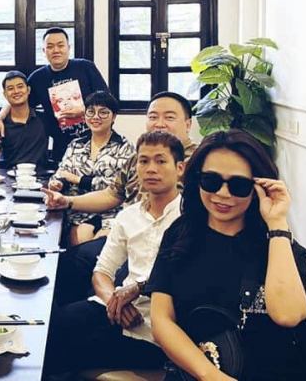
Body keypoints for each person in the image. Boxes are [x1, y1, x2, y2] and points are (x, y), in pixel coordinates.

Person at [149, 130, 306, 380]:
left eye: (239, 185)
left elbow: (288, 316)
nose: (223, 194)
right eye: (211, 181)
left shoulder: (280, 247)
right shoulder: (180, 234)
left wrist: (277, 223)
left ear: (258, 188)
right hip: (196, 373)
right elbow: (161, 319)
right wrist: (209, 375)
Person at [44, 131, 185, 375]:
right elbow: (102, 271)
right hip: (117, 311)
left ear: (179, 168)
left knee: (63, 351)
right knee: (52, 327)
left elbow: (186, 278)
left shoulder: (188, 217)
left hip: (158, 328)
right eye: (143, 161)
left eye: (161, 161)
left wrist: (136, 289)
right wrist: (114, 302)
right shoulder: (128, 217)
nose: (151, 169)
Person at [44, 91, 197, 303]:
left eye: (169, 117)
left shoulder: (199, 162)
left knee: (84, 275)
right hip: (125, 237)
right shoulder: (138, 156)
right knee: (63, 264)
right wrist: (67, 202)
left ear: (188, 124)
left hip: (160, 251)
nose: (159, 123)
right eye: (153, 117)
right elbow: (111, 194)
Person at [0, 27, 109, 163]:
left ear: (68, 48)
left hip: (96, 140)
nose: (56, 50)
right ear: (44, 51)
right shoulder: (38, 78)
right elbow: (18, 99)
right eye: (50, 47)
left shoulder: (85, 67)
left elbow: (108, 101)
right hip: (61, 146)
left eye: (60, 45)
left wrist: (84, 110)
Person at [48, 91, 135, 245]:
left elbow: (116, 188)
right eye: (91, 112)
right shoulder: (76, 145)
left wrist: (78, 180)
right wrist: (58, 183)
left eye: (103, 112)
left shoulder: (125, 147)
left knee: (101, 247)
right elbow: (62, 173)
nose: (96, 117)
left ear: (114, 116)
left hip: (111, 213)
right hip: (78, 211)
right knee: (81, 243)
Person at [0, 71, 48, 171]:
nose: (16, 91)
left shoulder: (44, 119)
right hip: (10, 176)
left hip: (41, 176)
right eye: (10, 88)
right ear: (5, 94)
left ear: (28, 90)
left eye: (20, 86)